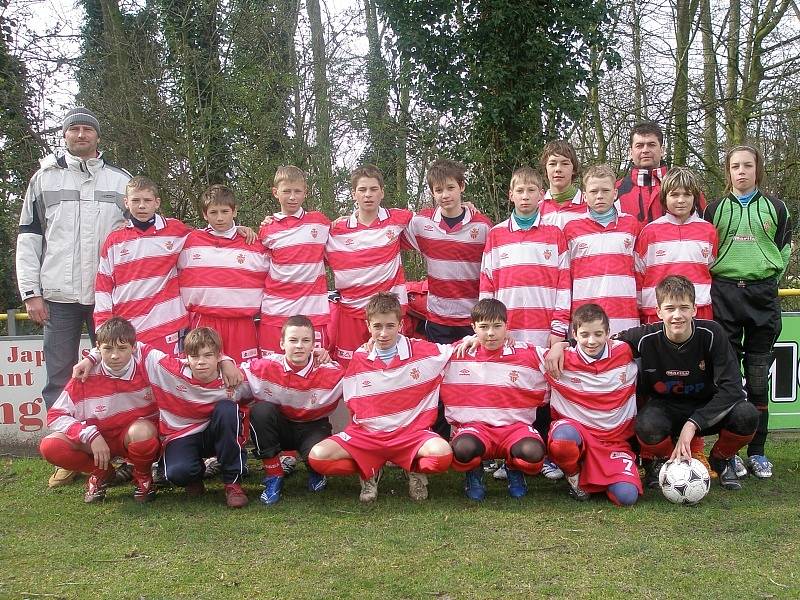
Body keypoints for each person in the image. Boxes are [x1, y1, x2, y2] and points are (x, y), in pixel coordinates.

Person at [547, 275, 758, 492]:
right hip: (665, 409)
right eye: (670, 308)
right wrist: (561, 346)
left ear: (694, 309)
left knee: (746, 415)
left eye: (684, 308)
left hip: (705, 409)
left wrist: (693, 423)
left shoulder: (712, 334)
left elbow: (732, 390)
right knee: (646, 425)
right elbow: (601, 341)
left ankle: (721, 460)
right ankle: (663, 462)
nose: (677, 315)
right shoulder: (645, 336)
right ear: (659, 311)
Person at [16, 107, 130, 488]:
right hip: (58, 297)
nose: (81, 135)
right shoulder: (43, 179)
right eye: (74, 129)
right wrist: (31, 292)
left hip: (107, 296)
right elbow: (29, 239)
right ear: (64, 136)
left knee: (115, 372)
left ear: (98, 138)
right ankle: (71, 453)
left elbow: (140, 237)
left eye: (88, 130)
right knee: (61, 378)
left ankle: (122, 451)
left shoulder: (120, 180)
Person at [74, 327, 250, 507]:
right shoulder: (169, 369)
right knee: (177, 473)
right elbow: (131, 345)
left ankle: (232, 484)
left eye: (208, 356)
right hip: (182, 434)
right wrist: (92, 357)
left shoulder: (234, 376)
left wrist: (229, 362)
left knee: (228, 409)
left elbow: (266, 375)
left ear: (219, 356)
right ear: (185, 357)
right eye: (195, 356)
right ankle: (193, 476)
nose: (201, 362)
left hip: (215, 432)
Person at [307, 292, 454, 502]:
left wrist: (479, 338)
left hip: (409, 434)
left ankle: (412, 469)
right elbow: (336, 375)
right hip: (368, 436)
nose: (383, 333)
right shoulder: (360, 356)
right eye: (377, 326)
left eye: (389, 326)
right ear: (368, 326)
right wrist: (319, 357)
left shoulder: (421, 350)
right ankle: (370, 471)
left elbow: (455, 350)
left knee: (442, 455)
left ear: (400, 325)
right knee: (318, 457)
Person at [704, 145, 792, 479]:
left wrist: (768, 276)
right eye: (735, 166)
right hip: (724, 293)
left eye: (748, 165)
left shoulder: (777, 208)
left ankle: (757, 451)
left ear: (758, 169)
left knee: (757, 377)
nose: (741, 172)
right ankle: (730, 454)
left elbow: (784, 248)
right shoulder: (714, 209)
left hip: (762, 296)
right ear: (728, 171)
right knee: (728, 380)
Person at [480, 165, 571, 480]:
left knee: (544, 390)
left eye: (532, 190)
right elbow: (487, 286)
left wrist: (558, 331)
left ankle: (545, 453)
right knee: (510, 390)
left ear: (541, 195)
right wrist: (488, 328)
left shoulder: (555, 235)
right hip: (507, 331)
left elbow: (564, 286)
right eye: (520, 190)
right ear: (511, 195)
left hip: (543, 331)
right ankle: (508, 455)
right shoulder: (496, 235)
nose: (526, 196)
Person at [401, 159, 492, 439]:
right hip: (438, 319)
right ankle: (439, 437)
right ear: (432, 192)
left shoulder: (484, 226)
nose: (445, 195)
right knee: (439, 378)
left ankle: (477, 435)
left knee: (475, 379)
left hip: (472, 321)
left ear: (462, 187)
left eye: (451, 187)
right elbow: (386, 233)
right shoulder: (421, 224)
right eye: (439, 190)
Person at [38, 317, 160, 503]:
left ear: (133, 347)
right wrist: (90, 434)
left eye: (122, 348)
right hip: (98, 440)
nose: (114, 356)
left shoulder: (147, 368)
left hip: (131, 437)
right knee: (50, 446)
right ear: (97, 348)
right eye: (108, 349)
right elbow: (55, 416)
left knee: (143, 431)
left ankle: (142, 477)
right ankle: (102, 473)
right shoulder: (85, 375)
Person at [441, 299, 547, 500]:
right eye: (484, 327)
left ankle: (514, 468)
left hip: (514, 427)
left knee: (533, 453)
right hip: (476, 427)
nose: (491, 333)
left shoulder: (527, 352)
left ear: (507, 326)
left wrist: (562, 346)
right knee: (462, 449)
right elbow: (422, 356)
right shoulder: (457, 352)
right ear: (473, 327)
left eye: (497, 326)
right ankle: (474, 473)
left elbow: (561, 357)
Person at [543, 304, 641, 506]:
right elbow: (518, 353)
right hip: (579, 436)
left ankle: (603, 476)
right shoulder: (559, 358)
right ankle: (574, 477)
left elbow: (661, 337)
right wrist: (474, 338)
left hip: (614, 441)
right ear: (574, 334)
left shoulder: (624, 351)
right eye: (585, 334)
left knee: (627, 497)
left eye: (598, 334)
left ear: (608, 332)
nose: (591, 341)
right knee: (563, 440)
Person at [242, 315, 344, 505]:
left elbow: (359, 375)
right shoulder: (266, 366)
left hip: (312, 427)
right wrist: (223, 361)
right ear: (282, 343)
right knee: (261, 411)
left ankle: (315, 471)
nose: (299, 346)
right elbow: (235, 374)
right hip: (282, 426)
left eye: (305, 341)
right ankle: (274, 476)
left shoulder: (330, 371)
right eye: (293, 340)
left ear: (314, 345)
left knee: (320, 460)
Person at [326, 166, 413, 365]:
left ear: (382, 192)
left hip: (387, 314)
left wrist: (464, 204)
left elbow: (433, 218)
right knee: (350, 370)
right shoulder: (335, 230)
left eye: (373, 189)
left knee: (391, 369)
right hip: (351, 314)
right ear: (353, 194)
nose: (368, 195)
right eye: (362, 189)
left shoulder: (398, 219)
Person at [94, 176, 191, 354]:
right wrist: (103, 328)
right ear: (126, 202)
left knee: (169, 381)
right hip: (128, 331)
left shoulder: (176, 230)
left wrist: (237, 229)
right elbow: (103, 288)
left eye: (147, 200)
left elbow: (209, 239)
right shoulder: (114, 240)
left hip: (168, 328)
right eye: (135, 200)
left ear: (157, 202)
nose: (141, 206)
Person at [178, 184, 267, 362]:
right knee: (205, 376)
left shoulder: (253, 243)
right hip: (204, 321)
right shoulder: (190, 240)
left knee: (243, 376)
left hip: (241, 324)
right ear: (204, 214)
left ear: (234, 212)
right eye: (213, 212)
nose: (219, 218)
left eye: (225, 211)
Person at [259, 166, 331, 353]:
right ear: (276, 193)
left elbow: (344, 235)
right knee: (272, 371)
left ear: (305, 193)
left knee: (314, 371)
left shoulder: (319, 222)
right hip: (276, 312)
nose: (292, 197)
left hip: (312, 311)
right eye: (287, 191)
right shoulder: (266, 229)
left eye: (297, 191)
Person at [562, 164, 640, 334]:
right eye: (593, 191)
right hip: (585, 319)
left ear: (615, 193)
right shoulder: (571, 229)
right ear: (584, 196)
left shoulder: (632, 225)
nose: (599, 196)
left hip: (624, 317)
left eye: (605, 190)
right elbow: (564, 279)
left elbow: (641, 271)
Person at [635, 167, 717, 323]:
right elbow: (639, 274)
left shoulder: (708, 231)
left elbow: (711, 268)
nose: (681, 200)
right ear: (664, 197)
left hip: (698, 311)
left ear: (695, 197)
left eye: (687, 194)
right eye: (674, 195)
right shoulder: (649, 232)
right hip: (657, 313)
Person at [616, 122, 708, 224]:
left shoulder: (687, 187)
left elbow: (703, 228)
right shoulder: (615, 191)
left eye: (651, 145)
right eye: (639, 146)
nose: (645, 150)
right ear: (630, 152)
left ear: (662, 150)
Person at [539, 140, 586, 228]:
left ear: (574, 169)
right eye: (552, 164)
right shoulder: (535, 210)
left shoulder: (590, 206)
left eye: (565, 163)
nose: (558, 169)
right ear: (546, 169)